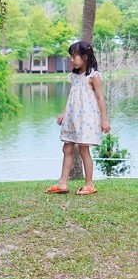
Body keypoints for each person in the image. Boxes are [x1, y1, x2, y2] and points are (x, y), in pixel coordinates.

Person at [46, 41, 110, 196]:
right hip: (72, 117)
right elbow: (72, 96)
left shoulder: (93, 76)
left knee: (83, 150)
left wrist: (104, 120)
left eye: (74, 56)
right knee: (67, 148)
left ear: (85, 57)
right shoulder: (73, 77)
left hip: (86, 119)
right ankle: (62, 183)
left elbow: (100, 98)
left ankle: (89, 184)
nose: (72, 60)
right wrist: (63, 113)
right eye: (71, 57)